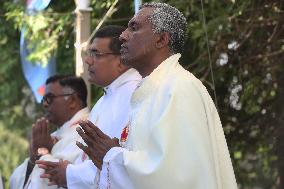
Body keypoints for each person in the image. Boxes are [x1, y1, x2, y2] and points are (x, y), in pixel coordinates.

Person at [76, 2, 238, 189]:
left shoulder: (179, 89)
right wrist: (116, 154)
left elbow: (175, 175)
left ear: (161, 40)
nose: (122, 36)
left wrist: (112, 155)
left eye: (134, 28)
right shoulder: (152, 90)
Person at [36, 25, 142, 189]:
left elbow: (118, 163)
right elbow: (93, 158)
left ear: (121, 61)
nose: (88, 60)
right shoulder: (105, 99)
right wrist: (67, 169)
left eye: (96, 54)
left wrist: (69, 173)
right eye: (89, 53)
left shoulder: (134, 95)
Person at [9, 75, 89, 189]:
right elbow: (14, 182)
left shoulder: (86, 132)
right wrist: (33, 159)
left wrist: (43, 152)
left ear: (72, 101)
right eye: (44, 99)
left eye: (49, 98)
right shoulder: (52, 136)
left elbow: (75, 180)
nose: (45, 104)